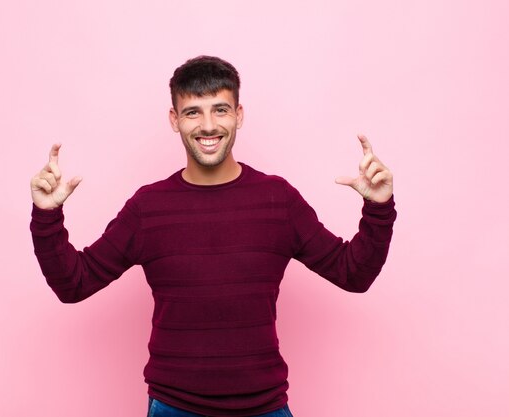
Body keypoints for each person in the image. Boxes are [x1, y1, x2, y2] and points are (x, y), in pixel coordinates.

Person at [29, 56, 396, 417]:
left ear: (239, 114)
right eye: (193, 112)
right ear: (175, 120)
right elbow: (74, 284)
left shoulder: (278, 200)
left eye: (220, 110)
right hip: (174, 407)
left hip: (264, 407)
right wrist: (47, 215)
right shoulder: (148, 207)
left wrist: (378, 207)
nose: (208, 126)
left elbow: (353, 274)